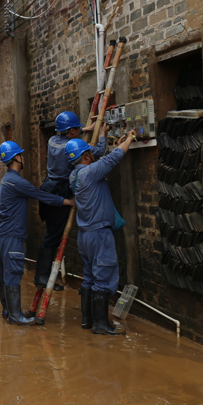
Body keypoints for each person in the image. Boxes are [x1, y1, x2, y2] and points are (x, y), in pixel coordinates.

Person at [0, 141, 75, 325]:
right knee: (13, 273)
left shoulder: (7, 179)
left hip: (1, 234)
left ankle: (8, 310)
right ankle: (15, 316)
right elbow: (43, 196)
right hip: (11, 235)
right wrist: (67, 202)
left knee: (5, 274)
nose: (23, 158)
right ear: (16, 157)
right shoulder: (17, 181)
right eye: (21, 155)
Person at [65, 129, 136, 336]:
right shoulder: (90, 172)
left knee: (89, 278)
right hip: (99, 235)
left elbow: (103, 159)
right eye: (90, 153)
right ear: (86, 156)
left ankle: (88, 321)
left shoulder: (74, 175)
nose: (93, 154)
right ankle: (101, 325)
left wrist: (106, 137)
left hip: (84, 235)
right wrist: (129, 139)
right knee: (103, 278)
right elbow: (113, 158)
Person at [34, 111, 108, 294]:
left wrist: (85, 129)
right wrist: (103, 135)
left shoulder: (53, 140)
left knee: (50, 235)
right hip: (59, 192)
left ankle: (42, 275)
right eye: (77, 129)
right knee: (53, 237)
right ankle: (42, 277)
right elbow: (95, 152)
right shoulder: (69, 148)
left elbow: (71, 137)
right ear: (72, 131)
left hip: (48, 189)